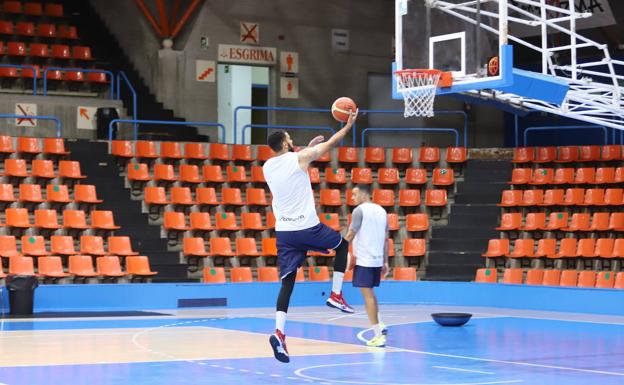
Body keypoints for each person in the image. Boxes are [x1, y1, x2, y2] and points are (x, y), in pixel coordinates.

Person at [264, 110, 358, 363]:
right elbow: (330, 144)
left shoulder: (267, 166)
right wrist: (348, 126)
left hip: (284, 234)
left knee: (287, 283)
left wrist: (306, 149)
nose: (291, 139)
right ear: (285, 143)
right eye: (289, 138)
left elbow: (293, 162)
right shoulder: (299, 158)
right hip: (306, 228)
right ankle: (336, 294)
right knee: (342, 246)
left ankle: (279, 333)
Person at [345, 184, 389, 347]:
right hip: (376, 260)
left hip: (364, 260)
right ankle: (381, 324)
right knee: (370, 294)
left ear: (364, 195)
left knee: (367, 297)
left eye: (355, 194)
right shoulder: (382, 211)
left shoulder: (359, 211)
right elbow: (386, 239)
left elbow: (351, 234)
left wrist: (339, 248)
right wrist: (385, 261)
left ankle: (378, 336)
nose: (352, 198)